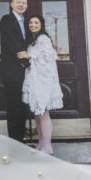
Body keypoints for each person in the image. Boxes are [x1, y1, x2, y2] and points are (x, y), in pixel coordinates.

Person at [22, 14, 64, 155]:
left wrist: (30, 56)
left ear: (41, 25)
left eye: (36, 22)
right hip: (35, 80)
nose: (33, 24)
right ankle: (41, 143)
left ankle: (48, 147)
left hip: (43, 82)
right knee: (38, 113)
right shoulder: (33, 41)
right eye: (31, 22)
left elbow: (47, 59)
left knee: (43, 113)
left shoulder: (43, 39)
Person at [0, 0, 31, 142]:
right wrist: (24, 58)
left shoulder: (28, 22)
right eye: (18, 2)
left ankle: (21, 138)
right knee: (13, 106)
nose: (20, 5)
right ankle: (14, 141)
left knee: (23, 105)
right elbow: (12, 42)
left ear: (26, 5)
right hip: (12, 70)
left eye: (23, 3)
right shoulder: (6, 20)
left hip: (27, 71)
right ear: (11, 4)